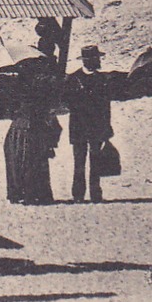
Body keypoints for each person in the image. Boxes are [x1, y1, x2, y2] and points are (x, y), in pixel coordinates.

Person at [3, 32, 64, 205]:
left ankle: (22, 192)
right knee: (34, 158)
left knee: (24, 158)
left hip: (25, 122)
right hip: (32, 121)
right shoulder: (45, 71)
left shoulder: (30, 72)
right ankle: (34, 192)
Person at [66, 45, 115, 203]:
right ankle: (78, 194)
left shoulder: (103, 79)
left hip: (97, 127)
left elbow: (106, 106)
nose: (98, 61)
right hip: (79, 127)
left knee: (96, 161)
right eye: (95, 59)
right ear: (87, 60)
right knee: (79, 162)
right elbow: (68, 102)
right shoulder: (73, 79)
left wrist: (107, 128)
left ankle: (95, 194)